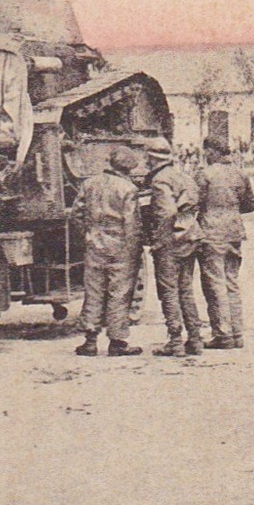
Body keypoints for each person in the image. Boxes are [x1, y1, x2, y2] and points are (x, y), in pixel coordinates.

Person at [74, 146, 144, 357]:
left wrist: (88, 234)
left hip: (94, 244)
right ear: (128, 168)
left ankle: (90, 340)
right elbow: (132, 224)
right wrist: (135, 249)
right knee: (119, 294)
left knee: (93, 291)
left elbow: (77, 214)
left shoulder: (89, 184)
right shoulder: (128, 189)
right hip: (120, 247)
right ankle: (117, 341)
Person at [143, 137, 204, 357]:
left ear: (151, 157)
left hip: (171, 241)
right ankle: (195, 340)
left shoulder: (160, 180)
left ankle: (176, 341)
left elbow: (167, 213)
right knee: (186, 290)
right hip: (190, 238)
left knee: (168, 291)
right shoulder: (183, 176)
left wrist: (159, 240)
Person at [197, 137, 254, 349]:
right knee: (232, 282)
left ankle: (223, 334)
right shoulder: (240, 173)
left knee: (215, 284)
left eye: (207, 152)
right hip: (234, 232)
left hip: (212, 232)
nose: (205, 156)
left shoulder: (205, 175)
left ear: (212, 152)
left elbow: (195, 202)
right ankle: (237, 333)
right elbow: (250, 205)